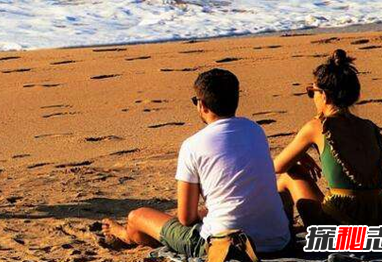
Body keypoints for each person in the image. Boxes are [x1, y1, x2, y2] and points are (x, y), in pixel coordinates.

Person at [102, 69, 291, 258]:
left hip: (225, 245)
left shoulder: (193, 145)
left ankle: (125, 235)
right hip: (277, 240)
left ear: (202, 105)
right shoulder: (255, 130)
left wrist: (203, 214)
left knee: (137, 217)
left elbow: (186, 218)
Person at [275, 49, 382, 227]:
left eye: (312, 92)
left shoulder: (317, 127)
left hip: (345, 232)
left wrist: (298, 156)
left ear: (324, 95)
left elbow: (277, 166)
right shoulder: (370, 127)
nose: (313, 97)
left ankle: (285, 236)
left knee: (290, 174)